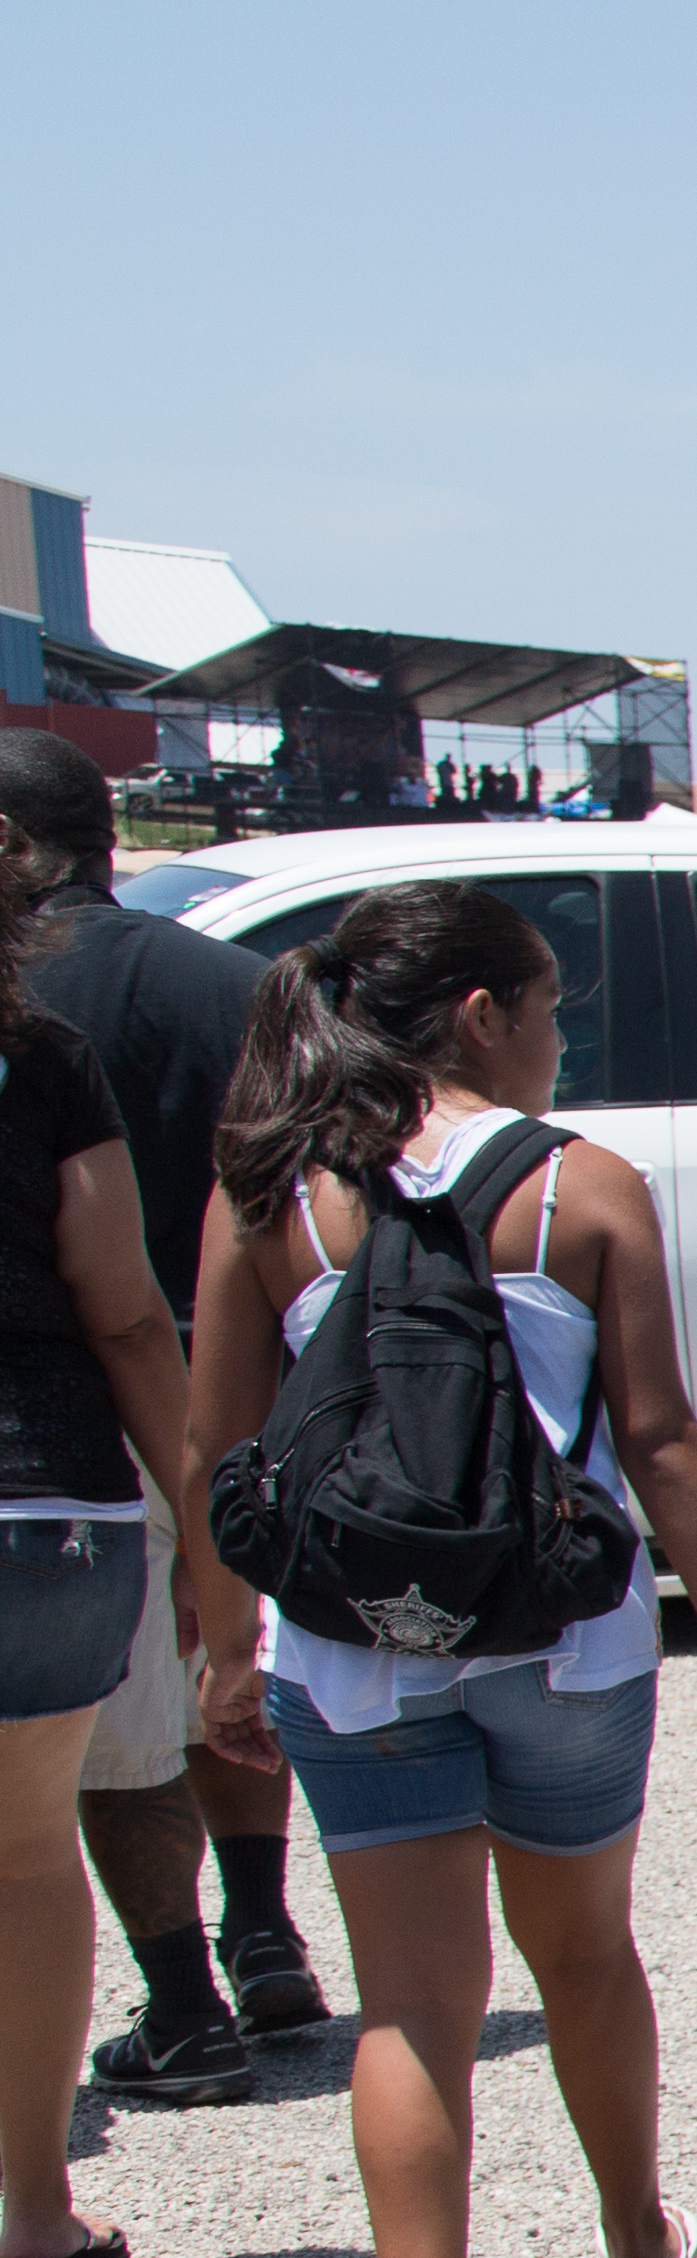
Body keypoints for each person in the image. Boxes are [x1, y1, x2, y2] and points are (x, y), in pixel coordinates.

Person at [191, 883, 697, 2258]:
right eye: (547, 1006)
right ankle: (638, 2251)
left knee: (408, 2007)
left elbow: (214, 1449)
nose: (558, 1033)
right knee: (584, 1957)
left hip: (349, 1651)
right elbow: (657, 1437)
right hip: (562, 1643)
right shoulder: (581, 1189)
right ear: (476, 1017)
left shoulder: (271, 1194)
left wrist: (219, 1647)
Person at [0, 734, 319, 2107]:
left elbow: (113, 1299)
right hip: (228, 1378)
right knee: (228, 1674)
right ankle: (266, 1934)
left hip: (89, 1403)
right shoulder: (233, 985)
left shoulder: (30, 1005)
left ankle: (182, 1992)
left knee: (113, 1747)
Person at [0, 786, 219, 2258]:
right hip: (46, 1505)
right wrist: (204, 1533)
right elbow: (129, 1312)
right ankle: (28, 2214)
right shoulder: (43, 1060)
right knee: (25, 1859)